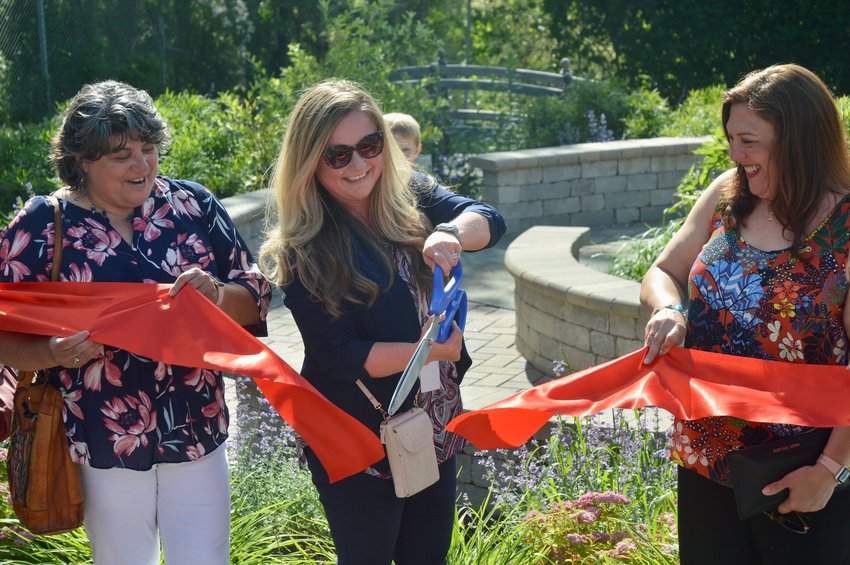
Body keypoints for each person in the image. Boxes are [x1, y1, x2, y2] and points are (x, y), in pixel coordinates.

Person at [0, 80, 271, 564]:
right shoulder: (44, 224)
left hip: (196, 428)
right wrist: (50, 353)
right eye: (122, 154)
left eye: (149, 149)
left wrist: (217, 294)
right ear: (82, 160)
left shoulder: (193, 206)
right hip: (103, 438)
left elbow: (255, 295)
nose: (142, 165)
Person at [259, 79, 505, 565]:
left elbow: (489, 218)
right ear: (310, 160)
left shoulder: (408, 192)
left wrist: (451, 233)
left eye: (370, 146)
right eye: (338, 155)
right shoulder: (303, 247)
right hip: (356, 437)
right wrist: (431, 351)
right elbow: (337, 355)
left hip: (431, 423)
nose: (359, 164)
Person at [640, 63, 850, 563]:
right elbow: (663, 269)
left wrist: (829, 470)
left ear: (798, 138)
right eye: (731, 139)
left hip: (800, 472)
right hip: (707, 459)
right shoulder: (726, 194)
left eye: (749, 141)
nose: (736, 155)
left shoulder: (846, 228)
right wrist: (670, 309)